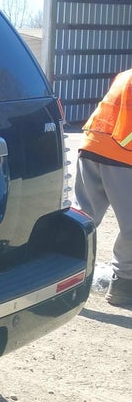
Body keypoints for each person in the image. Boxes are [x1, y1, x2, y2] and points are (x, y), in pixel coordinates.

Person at [75, 67, 132, 309]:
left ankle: (67, 280)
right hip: (122, 154)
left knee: (82, 219)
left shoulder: (126, 74)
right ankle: (124, 285)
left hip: (92, 145)